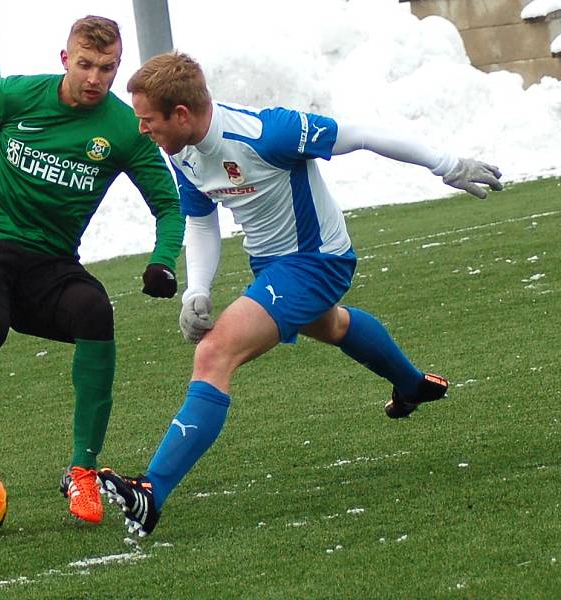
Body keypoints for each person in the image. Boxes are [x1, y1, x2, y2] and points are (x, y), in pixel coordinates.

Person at [97, 52, 503, 536]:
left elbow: (363, 136)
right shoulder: (179, 147)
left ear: (180, 114)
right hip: (273, 267)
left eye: (148, 120)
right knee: (332, 325)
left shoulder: (270, 133)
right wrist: (197, 291)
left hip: (317, 262)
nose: (142, 130)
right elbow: (202, 218)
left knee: (214, 353)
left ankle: (151, 492)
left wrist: (448, 164)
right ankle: (412, 385)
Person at [0, 16, 184, 531]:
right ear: (65, 59)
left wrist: (163, 259)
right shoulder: (17, 95)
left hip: (50, 262)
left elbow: (167, 203)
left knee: (94, 310)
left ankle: (83, 470)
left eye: (108, 68)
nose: (95, 77)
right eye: (86, 64)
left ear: (118, 68)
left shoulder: (123, 129)